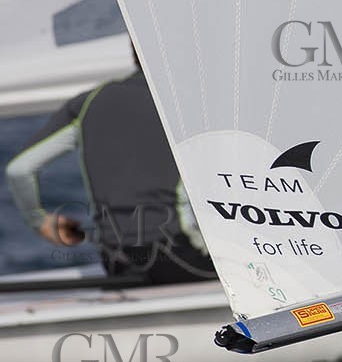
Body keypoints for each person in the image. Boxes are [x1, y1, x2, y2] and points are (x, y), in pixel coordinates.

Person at [5, 49, 214, 285]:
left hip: (117, 262)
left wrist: (38, 220)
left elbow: (19, 169)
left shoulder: (89, 102)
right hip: (186, 260)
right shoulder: (195, 100)